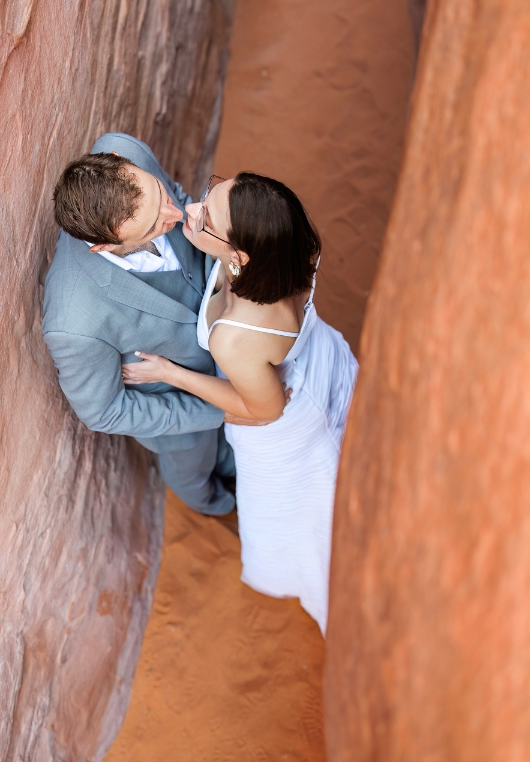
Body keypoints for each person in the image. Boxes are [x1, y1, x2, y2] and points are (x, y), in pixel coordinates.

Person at [122, 172, 358, 634]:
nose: (193, 209)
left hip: (286, 425)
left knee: (304, 516)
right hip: (320, 361)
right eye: (212, 191)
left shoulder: (236, 336)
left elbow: (267, 410)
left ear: (239, 255)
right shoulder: (287, 245)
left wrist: (171, 373)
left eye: (206, 217)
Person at [42, 132, 239, 518]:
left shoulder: (126, 149)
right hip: (183, 418)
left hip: (231, 339)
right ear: (102, 246)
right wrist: (216, 412)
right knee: (195, 478)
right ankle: (223, 506)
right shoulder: (72, 322)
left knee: (238, 449)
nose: (175, 216)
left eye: (159, 196)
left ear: (121, 159)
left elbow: (181, 201)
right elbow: (104, 411)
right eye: (151, 227)